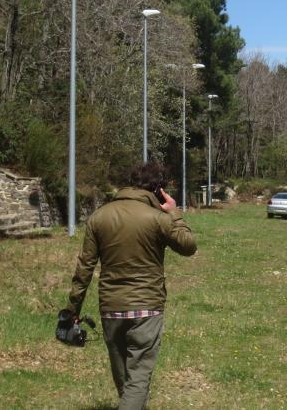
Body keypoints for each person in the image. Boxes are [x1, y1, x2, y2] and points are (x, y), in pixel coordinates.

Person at [63, 162, 197, 410]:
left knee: (125, 378)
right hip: (147, 309)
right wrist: (174, 212)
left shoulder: (99, 217)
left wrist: (72, 310)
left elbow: (84, 269)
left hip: (110, 308)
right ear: (159, 190)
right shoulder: (158, 218)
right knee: (137, 380)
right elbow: (188, 245)